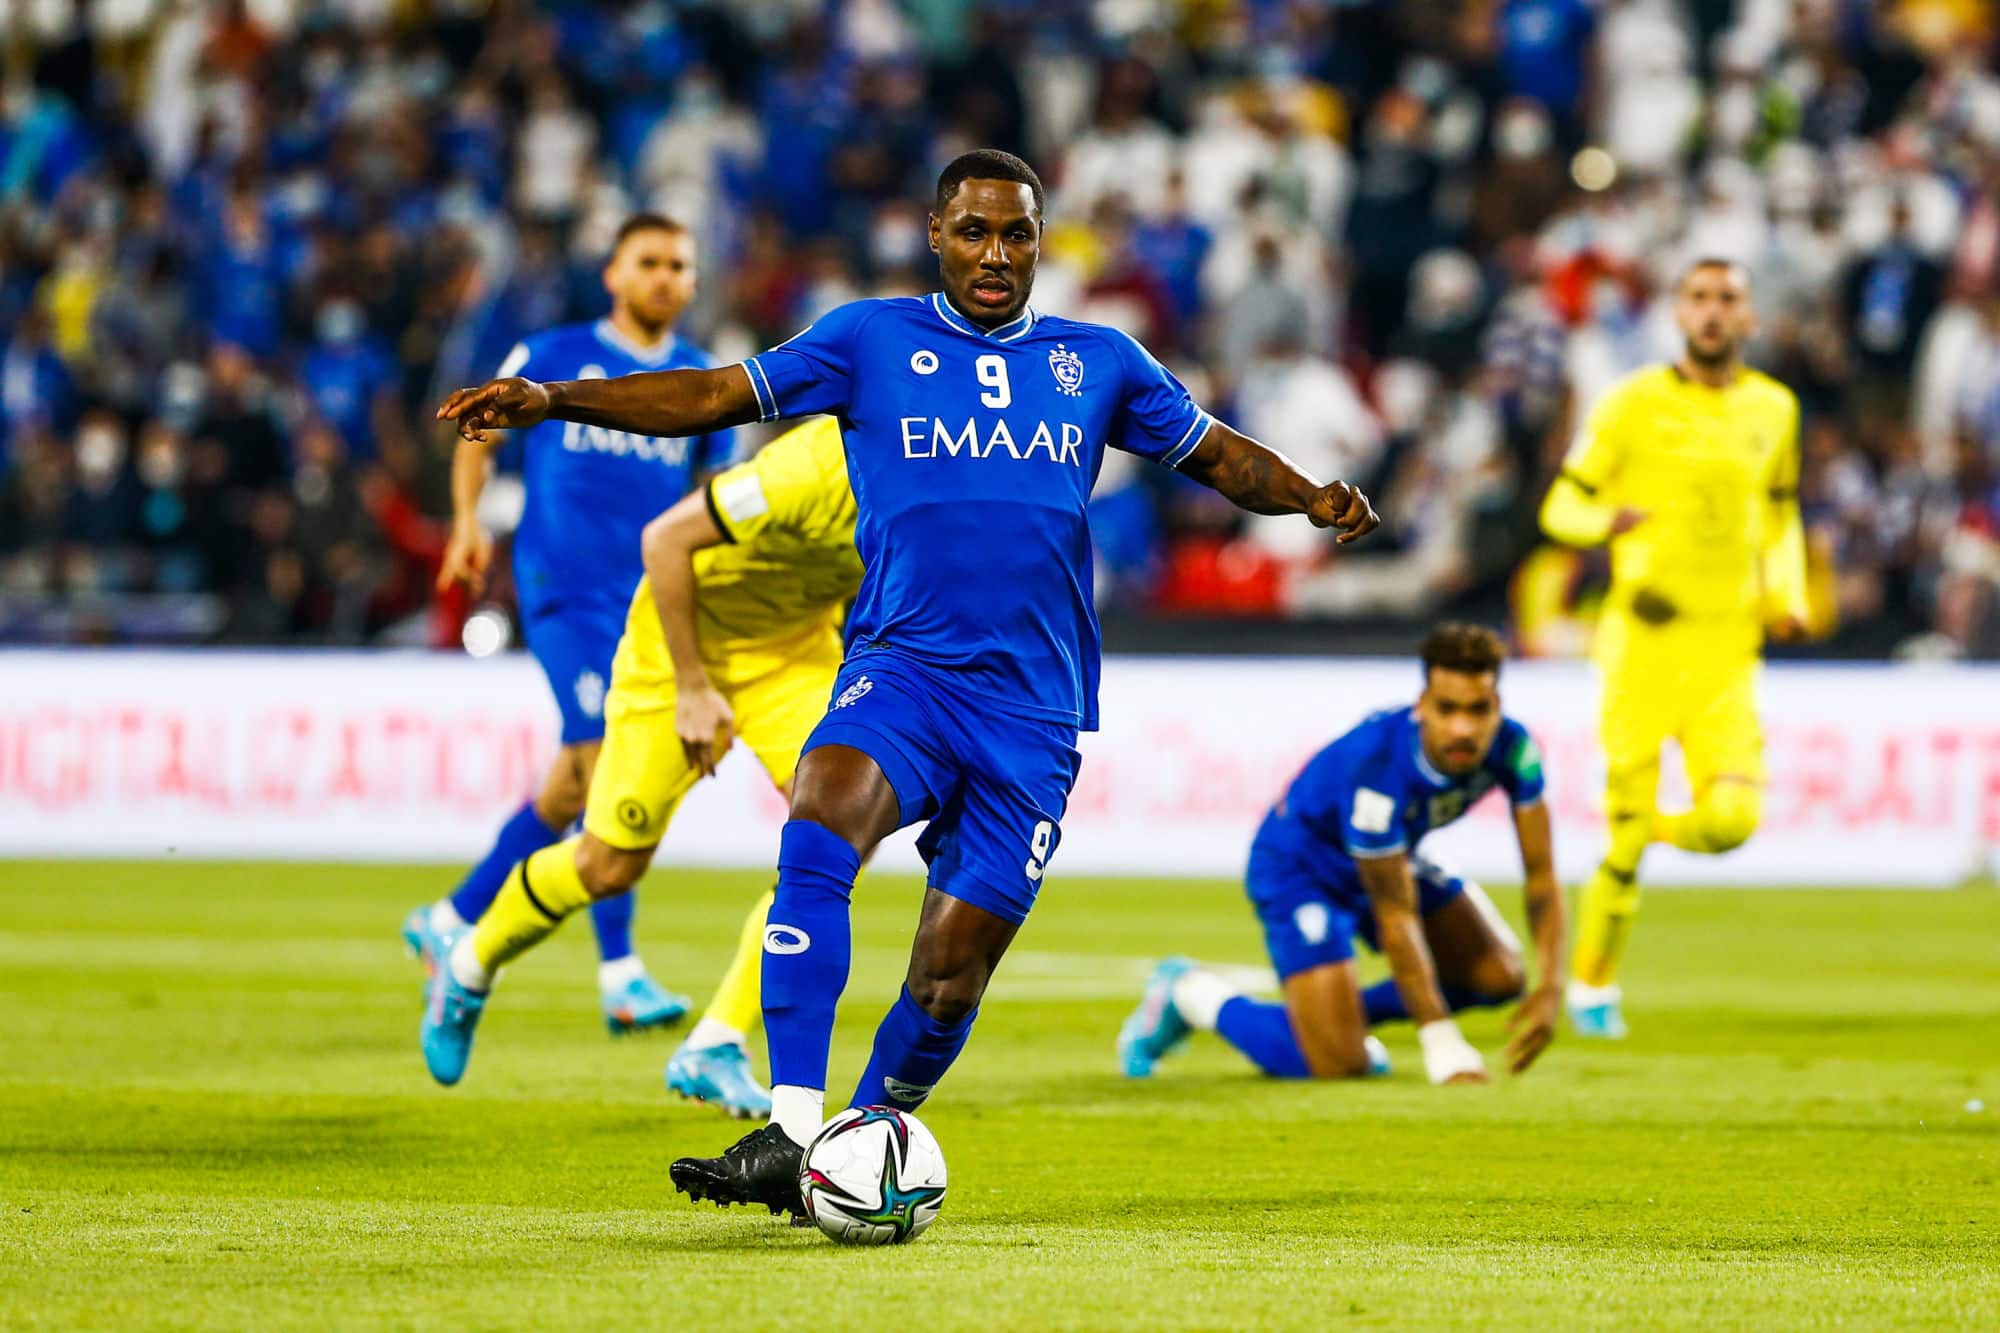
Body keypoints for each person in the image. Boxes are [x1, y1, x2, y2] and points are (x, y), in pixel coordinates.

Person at [435, 149, 1379, 1218]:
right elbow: (709, 395)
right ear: (935, 235)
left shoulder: (1099, 360)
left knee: (946, 978)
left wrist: (1311, 495)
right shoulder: (867, 338)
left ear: (1038, 242)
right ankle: (793, 1130)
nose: (993, 253)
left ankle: (861, 1131)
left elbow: (1212, 457)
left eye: (1015, 233)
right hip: (903, 669)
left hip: (1033, 711)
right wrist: (553, 397)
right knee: (820, 815)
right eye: (972, 230)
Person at [420, 418, 862, 1122]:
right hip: (675, 654)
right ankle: (469, 964)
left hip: (793, 655)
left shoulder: (938, 483)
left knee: (835, 838)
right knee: (608, 865)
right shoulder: (807, 468)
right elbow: (665, 539)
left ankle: (715, 1042)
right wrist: (691, 684)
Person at [404, 214, 734, 1036]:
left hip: (647, 604)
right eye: (648, 262)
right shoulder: (553, 357)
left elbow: (712, 493)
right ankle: (619, 972)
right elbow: (478, 431)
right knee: (602, 763)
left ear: (692, 283)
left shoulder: (701, 379)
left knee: (567, 783)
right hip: (563, 587)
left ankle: (449, 917)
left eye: (678, 265)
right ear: (613, 274)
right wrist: (468, 522)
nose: (664, 276)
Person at [1539, 257, 1807, 1038]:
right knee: (1623, 847)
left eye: (1728, 298)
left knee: (1731, 821)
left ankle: (1641, 828)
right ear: (1677, 314)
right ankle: (1591, 987)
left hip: (1728, 648)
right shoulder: (1630, 403)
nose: (1714, 312)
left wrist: (1787, 592)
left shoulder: (1775, 409)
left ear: (1750, 317)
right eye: (1698, 298)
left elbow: (1781, 510)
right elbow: (1563, 503)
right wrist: (1603, 524)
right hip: (1643, 644)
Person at [1117, 624, 1565, 1085]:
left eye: (1479, 710)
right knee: (1337, 1064)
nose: (1463, 728)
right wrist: (1441, 1041)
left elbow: (1542, 876)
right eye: (1447, 709)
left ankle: (1336, 1021)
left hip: (1393, 856)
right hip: (1303, 866)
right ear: (1422, 707)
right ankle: (1191, 993)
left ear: (1499, 708)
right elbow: (1396, 916)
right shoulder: (1379, 768)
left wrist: (1551, 987)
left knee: (1499, 976)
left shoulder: (1516, 749)